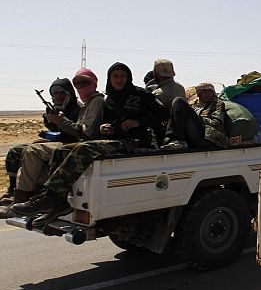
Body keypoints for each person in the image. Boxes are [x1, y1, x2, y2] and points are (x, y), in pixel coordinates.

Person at [12, 62, 168, 226]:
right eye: (115, 76)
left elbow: (164, 114)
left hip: (135, 141)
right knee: (62, 150)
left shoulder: (141, 94)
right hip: (114, 140)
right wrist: (103, 128)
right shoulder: (110, 99)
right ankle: (57, 201)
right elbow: (107, 124)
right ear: (109, 78)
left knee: (85, 148)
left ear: (128, 77)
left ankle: (48, 198)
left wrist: (138, 122)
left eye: (123, 76)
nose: (119, 80)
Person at [0, 78, 81, 207]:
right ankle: (13, 190)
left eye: (62, 92)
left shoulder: (77, 109)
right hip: (56, 140)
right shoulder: (56, 108)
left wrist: (59, 123)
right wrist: (49, 121)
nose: (59, 96)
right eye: (55, 93)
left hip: (68, 143)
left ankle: (23, 197)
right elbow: (55, 129)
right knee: (15, 151)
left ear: (69, 93)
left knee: (32, 151)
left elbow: (76, 133)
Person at [160, 82, 228, 150]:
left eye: (210, 91)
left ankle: (178, 141)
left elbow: (217, 122)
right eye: (204, 91)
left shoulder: (217, 104)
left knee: (179, 101)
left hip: (207, 136)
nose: (207, 93)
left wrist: (200, 119)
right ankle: (174, 140)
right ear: (199, 93)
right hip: (191, 136)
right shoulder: (193, 105)